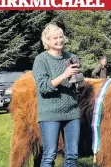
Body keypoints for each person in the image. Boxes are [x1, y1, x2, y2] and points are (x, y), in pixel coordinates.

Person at [32, 23, 81, 167]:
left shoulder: (71, 57)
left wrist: (79, 80)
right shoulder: (41, 60)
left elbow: (77, 86)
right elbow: (43, 87)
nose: (59, 40)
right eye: (55, 38)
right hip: (50, 114)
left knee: (72, 156)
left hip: (72, 113)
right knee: (49, 155)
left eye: (61, 37)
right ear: (47, 41)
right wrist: (65, 75)